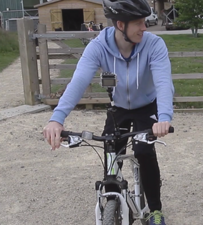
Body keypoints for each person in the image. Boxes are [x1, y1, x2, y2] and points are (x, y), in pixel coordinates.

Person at [42, 0, 174, 224]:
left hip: (147, 107)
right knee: (111, 151)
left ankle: (155, 209)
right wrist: (57, 119)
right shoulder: (98, 47)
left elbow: (163, 83)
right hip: (119, 108)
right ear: (120, 25)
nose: (145, 27)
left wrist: (163, 118)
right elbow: (78, 82)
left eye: (145, 22)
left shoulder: (154, 45)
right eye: (139, 23)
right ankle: (112, 204)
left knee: (144, 151)